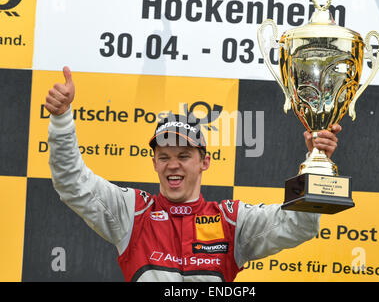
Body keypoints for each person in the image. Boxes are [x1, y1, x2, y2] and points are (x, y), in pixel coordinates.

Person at [45, 66, 341, 282]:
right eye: (164, 157)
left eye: (184, 156)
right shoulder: (133, 213)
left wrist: (315, 161)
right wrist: (61, 120)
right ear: (155, 164)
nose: (173, 165)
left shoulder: (231, 221)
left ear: (205, 162)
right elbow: (72, 183)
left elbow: (299, 225)